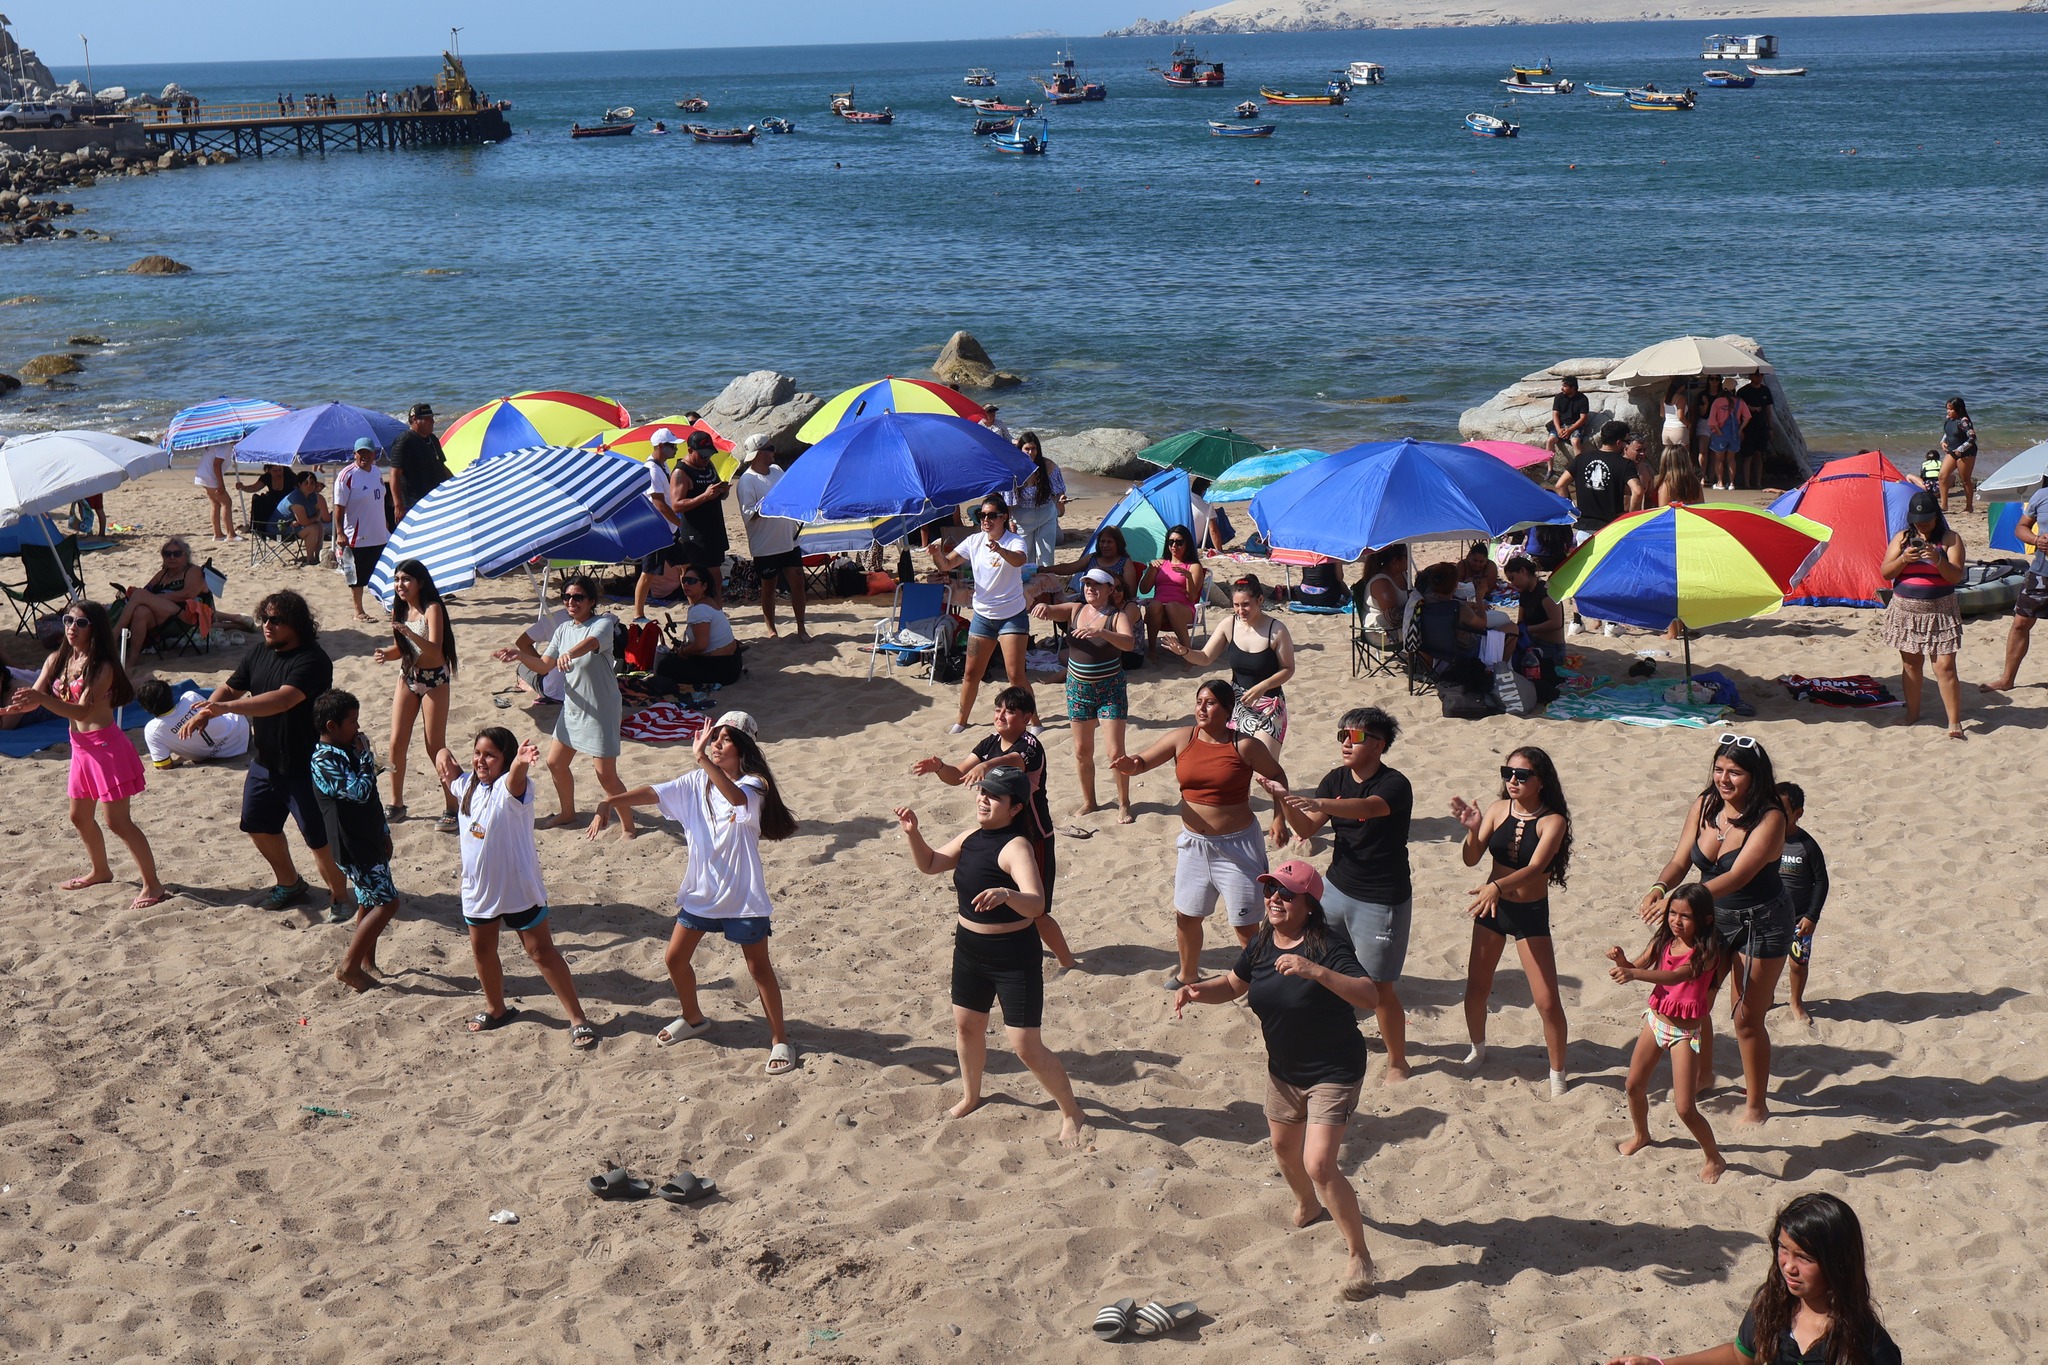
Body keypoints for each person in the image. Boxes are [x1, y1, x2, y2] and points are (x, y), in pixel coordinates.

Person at [1171, 860, 1379, 1301]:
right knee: (1284, 1149)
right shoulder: (1264, 940)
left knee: (1320, 1163)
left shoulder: (1327, 944)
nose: (1274, 900)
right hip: (1284, 1070)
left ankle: (1359, 1254)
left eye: (1286, 893)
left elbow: (1369, 995)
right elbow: (1233, 984)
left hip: (1334, 1070)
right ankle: (1308, 1204)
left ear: (1308, 903)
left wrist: (1314, 971)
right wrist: (1197, 990)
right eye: (1270, 892)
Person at [589, 712, 799, 1073]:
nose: (716, 744)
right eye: (713, 737)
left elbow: (735, 799)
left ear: (743, 747)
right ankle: (693, 1018)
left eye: (724, 739)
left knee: (758, 968)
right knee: (674, 959)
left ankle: (779, 1040)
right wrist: (612, 800)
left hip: (742, 897)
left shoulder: (754, 784)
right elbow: (655, 792)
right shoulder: (695, 783)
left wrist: (702, 758)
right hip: (702, 892)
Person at [894, 767, 1089, 1148]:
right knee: (967, 1027)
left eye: (994, 796)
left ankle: (1072, 1112)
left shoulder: (1016, 847)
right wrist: (913, 833)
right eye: (982, 792)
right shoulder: (970, 837)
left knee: (1025, 1045)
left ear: (1015, 808)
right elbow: (931, 864)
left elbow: (1036, 904)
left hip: (1013, 957)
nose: (983, 799)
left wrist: (1006, 894)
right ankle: (971, 1096)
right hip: (969, 951)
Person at [1636, 733, 1791, 1127]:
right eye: (1719, 770)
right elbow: (1679, 860)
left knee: (1746, 1016)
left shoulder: (1770, 817)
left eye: (1735, 772)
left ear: (1755, 777)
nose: (1724, 779)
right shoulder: (1706, 804)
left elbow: (1739, 876)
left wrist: (1678, 903)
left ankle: (1757, 1104)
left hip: (1762, 921)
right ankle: (1704, 1075)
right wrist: (1659, 886)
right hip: (1712, 917)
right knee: (1696, 1000)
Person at [182, 590, 352, 913]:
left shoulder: (314, 661)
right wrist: (207, 708)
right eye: (264, 618)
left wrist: (223, 708)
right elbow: (232, 686)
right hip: (265, 763)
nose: (267, 625)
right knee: (257, 825)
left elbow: (282, 700)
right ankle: (290, 883)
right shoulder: (259, 652)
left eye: (276, 620)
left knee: (319, 840)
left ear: (297, 624)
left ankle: (340, 898)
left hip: (305, 767)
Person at [1113, 680, 1288, 990]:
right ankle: (1188, 973)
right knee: (1187, 916)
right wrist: (1130, 764)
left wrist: (1278, 817)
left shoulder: (1244, 745)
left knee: (1246, 926)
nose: (1202, 708)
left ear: (1227, 710)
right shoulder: (1183, 738)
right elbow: (1142, 763)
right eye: (1199, 702)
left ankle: (1263, 982)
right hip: (1194, 846)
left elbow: (1276, 775)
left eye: (1210, 703)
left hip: (1238, 848)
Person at [1271, 707, 1413, 1083]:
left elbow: (1369, 807)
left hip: (1382, 898)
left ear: (1380, 745)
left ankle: (1398, 1061)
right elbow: (1307, 827)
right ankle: (1322, 1032)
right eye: (1342, 736)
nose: (1346, 743)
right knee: (1318, 961)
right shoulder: (1335, 779)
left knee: (1379, 986)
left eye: (1356, 737)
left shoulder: (1395, 784)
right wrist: (1288, 802)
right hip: (1336, 888)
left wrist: (1321, 804)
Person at [432, 728, 598, 1048]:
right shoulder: (465, 784)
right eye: (478, 753)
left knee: (540, 952)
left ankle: (577, 1018)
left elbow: (515, 778)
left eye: (491, 755)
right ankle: (497, 1009)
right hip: (478, 890)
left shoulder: (513, 789)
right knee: (483, 951)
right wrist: (441, 755)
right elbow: (445, 762)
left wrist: (520, 763)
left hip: (518, 887)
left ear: (505, 760)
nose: (482, 760)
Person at [1602, 1193, 1901, 1365]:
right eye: (1784, 1250)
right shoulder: (1773, 1306)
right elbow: (1738, 1356)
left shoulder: (1869, 1346)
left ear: (1838, 1263)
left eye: (1805, 1258)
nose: (1789, 1267)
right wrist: (1659, 1364)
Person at [1, 601, 168, 909]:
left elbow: (83, 710)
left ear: (95, 629)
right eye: (68, 621)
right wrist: (18, 707)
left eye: (80, 623)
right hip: (80, 749)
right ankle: (101, 871)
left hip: (106, 748)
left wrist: (40, 698)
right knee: (79, 817)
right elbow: (35, 699)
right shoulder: (58, 658)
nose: (71, 628)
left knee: (118, 822)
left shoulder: (102, 666)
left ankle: (153, 885)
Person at [909, 685, 1080, 969]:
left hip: (1033, 835)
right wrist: (940, 767)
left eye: (1010, 712)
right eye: (998, 710)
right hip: (1000, 836)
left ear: (1027, 718)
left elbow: (1014, 763)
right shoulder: (989, 742)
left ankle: (1068, 962)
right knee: (1005, 901)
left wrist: (988, 767)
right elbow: (958, 776)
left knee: (1037, 910)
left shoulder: (1030, 745)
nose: (1001, 716)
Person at [1449, 747, 1573, 1094]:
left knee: (1547, 1000)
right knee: (1477, 986)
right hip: (1492, 908)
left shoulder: (1554, 821)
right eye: (1508, 773)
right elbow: (1471, 859)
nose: (1513, 780)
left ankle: (1557, 1074)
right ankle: (1478, 1048)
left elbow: (1535, 869)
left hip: (1528, 913)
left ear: (1541, 781)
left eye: (1522, 775)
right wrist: (1473, 831)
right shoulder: (1497, 809)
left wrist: (1496, 886)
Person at [1607, 884, 1729, 1184]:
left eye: (1685, 916)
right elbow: (1639, 964)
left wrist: (1634, 974)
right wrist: (1622, 961)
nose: (1676, 921)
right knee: (1633, 1085)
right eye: (1672, 913)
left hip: (1684, 1034)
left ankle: (1714, 1157)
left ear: (1705, 920)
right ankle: (1641, 1135)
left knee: (1685, 1108)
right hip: (1656, 1022)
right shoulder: (1664, 940)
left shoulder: (1706, 953)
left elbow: (1676, 976)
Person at [494, 574, 633, 833]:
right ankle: (568, 813)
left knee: (606, 776)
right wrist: (520, 655)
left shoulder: (601, 624)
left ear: (591, 601)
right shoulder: (562, 629)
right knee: (555, 763)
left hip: (601, 709)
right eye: (567, 597)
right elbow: (544, 666)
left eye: (578, 597)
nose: (571, 601)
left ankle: (628, 826)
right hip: (573, 707)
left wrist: (570, 653)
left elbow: (591, 643)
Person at [310, 690, 401, 988]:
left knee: (368, 900)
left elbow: (372, 795)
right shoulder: (323, 760)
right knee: (387, 904)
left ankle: (366, 962)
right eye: (352, 722)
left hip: (369, 836)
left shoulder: (346, 749)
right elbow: (358, 791)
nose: (358, 729)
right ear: (331, 726)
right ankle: (349, 966)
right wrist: (365, 759)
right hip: (353, 844)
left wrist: (384, 833)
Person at [1032, 570, 1138, 824]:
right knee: (1081, 750)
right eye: (1087, 583)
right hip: (1078, 689)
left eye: (1096, 585)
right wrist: (1044, 607)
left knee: (1115, 753)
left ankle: (1124, 803)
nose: (1090, 588)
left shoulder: (1117, 616)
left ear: (1110, 589)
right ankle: (1090, 801)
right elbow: (1052, 609)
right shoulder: (1076, 610)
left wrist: (1101, 633)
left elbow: (1128, 643)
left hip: (1110, 690)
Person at [1161, 575, 1295, 768]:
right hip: (1238, 705)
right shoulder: (1229, 625)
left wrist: (1263, 686)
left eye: (1246, 604)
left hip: (1269, 705)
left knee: (1267, 769)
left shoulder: (1277, 630)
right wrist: (1184, 651)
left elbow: (1288, 669)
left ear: (1260, 600)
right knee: (1237, 766)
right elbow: (1205, 657)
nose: (1241, 610)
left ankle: (1278, 799)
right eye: (1236, 605)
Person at [929, 494, 1033, 735]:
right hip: (983, 616)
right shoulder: (974, 541)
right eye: (981, 515)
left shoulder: (1014, 540)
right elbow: (946, 565)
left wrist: (1000, 550)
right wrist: (935, 554)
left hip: (1011, 615)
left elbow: (1020, 561)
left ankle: (1034, 721)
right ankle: (962, 720)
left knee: (1015, 675)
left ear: (1003, 517)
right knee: (970, 673)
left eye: (991, 515)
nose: (985, 520)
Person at [371, 558, 459, 831]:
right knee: (396, 742)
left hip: (435, 680)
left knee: (435, 745)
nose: (400, 585)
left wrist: (409, 632)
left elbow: (434, 650)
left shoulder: (432, 609)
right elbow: (403, 648)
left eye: (406, 579)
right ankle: (396, 803)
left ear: (420, 582)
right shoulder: (398, 610)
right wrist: (388, 653)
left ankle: (452, 805)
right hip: (408, 677)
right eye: (397, 580)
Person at [1879, 489, 1966, 737]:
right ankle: (1912, 714)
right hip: (1906, 610)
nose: (1923, 524)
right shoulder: (1902, 538)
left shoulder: (1950, 539)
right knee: (1911, 664)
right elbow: (1886, 573)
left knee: (1945, 667)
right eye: (1918, 520)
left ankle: (1954, 723)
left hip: (1941, 610)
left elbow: (1956, 576)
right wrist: (1904, 559)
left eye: (1927, 519)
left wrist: (1938, 560)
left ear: (1937, 516)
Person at [734, 434, 808, 638]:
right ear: (758, 453)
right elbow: (749, 514)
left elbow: (790, 493)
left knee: (798, 583)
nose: (774, 451)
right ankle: (771, 629)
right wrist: (769, 503)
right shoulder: (747, 481)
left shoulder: (776, 470)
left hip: (789, 539)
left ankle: (801, 628)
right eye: (770, 448)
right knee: (769, 587)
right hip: (766, 546)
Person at [1981, 475, 2048, 695]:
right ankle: (2007, 679)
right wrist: (2036, 540)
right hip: (2041, 573)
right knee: (2020, 624)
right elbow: (2021, 528)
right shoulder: (2041, 495)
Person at [1777, 783, 1829, 1026]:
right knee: (1767, 961)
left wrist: (1812, 916)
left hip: (1799, 918)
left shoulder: (1806, 845)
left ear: (1798, 813)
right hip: (1769, 915)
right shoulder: (1763, 840)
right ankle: (1766, 997)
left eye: (1783, 810)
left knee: (1798, 962)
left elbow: (1821, 881)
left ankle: (1796, 1001)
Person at [112, 538, 205, 663]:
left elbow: (187, 594)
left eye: (176, 554)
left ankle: (115, 633)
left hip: (182, 614)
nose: (171, 557)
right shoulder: (162, 574)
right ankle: (133, 658)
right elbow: (146, 591)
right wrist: (149, 598)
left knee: (140, 595)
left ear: (185, 556)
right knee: (140, 611)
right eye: (167, 554)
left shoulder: (193, 571)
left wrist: (155, 598)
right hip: (158, 614)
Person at [654, 566, 743, 690]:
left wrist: (682, 652)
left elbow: (701, 645)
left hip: (722, 669)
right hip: (734, 661)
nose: (686, 584)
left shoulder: (699, 610)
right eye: (684, 580)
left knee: (664, 666)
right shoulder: (709, 602)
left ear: (704, 586)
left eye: (692, 581)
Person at [332, 438, 391, 622]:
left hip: (380, 533)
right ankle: (358, 611)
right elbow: (339, 507)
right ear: (355, 454)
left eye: (368, 452)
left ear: (374, 454)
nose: (364, 456)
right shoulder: (346, 476)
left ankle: (387, 605)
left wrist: (385, 523)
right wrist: (340, 532)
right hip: (357, 535)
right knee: (356, 574)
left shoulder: (377, 472)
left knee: (383, 571)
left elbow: (379, 499)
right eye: (361, 453)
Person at [669, 430, 732, 603]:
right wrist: (704, 496)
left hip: (714, 528)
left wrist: (722, 492)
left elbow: (714, 491)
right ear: (690, 450)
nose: (706, 458)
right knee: (706, 576)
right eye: (702, 454)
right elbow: (676, 504)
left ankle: (713, 607)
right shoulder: (681, 472)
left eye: (709, 454)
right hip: (696, 532)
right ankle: (706, 608)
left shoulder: (707, 465)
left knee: (714, 575)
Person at [629, 429, 685, 622]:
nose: (675, 449)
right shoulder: (652, 470)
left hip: (668, 529)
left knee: (686, 564)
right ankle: (638, 614)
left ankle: (695, 603)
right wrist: (680, 524)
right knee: (649, 573)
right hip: (657, 530)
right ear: (661, 446)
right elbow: (659, 504)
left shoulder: (663, 466)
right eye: (672, 446)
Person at [137, 676, 249, 768]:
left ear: (145, 708)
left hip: (213, 757)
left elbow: (164, 766)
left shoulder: (152, 730)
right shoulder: (190, 697)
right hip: (242, 734)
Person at [1140, 524, 1206, 659]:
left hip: (1184, 610)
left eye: (1179, 542)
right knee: (1155, 604)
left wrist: (1188, 577)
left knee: (1171, 606)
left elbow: (1193, 597)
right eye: (1171, 542)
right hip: (1159, 610)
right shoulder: (1160, 564)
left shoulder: (1193, 567)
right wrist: (1151, 569)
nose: (1174, 546)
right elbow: (1144, 589)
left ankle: (1188, 653)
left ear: (1187, 544)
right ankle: (1152, 651)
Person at [1556, 421, 1631, 535]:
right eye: (1627, 441)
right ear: (1619, 442)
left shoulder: (1581, 459)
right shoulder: (1624, 464)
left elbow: (1560, 485)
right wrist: (1631, 518)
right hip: (1611, 529)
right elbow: (1637, 491)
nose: (1628, 445)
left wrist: (1571, 512)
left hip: (1584, 529)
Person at [1038, 524, 1143, 604]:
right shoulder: (1093, 558)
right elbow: (1070, 568)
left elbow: (1130, 593)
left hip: (1111, 605)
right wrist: (1048, 569)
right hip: (1086, 602)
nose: (1105, 545)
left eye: (1109, 542)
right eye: (1102, 542)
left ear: (1118, 544)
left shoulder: (1125, 563)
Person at [1010, 431, 1068, 568]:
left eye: (1033, 448)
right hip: (1022, 518)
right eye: (1027, 449)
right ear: (1020, 449)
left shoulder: (1048, 466)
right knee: (1025, 559)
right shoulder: (1013, 469)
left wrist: (1061, 498)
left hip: (1046, 514)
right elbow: (1008, 497)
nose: (1031, 452)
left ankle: (1046, 586)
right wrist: (1009, 519)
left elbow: (1058, 490)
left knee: (1046, 558)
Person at [389, 403, 452, 523]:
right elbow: (394, 474)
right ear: (415, 420)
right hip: (415, 503)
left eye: (432, 418)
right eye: (427, 419)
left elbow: (442, 466)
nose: (432, 422)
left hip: (436, 498)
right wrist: (398, 505)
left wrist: (455, 483)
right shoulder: (405, 441)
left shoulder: (433, 439)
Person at [1504, 557, 1565, 668]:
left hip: (1551, 648)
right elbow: (1521, 621)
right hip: (1531, 642)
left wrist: (1527, 630)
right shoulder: (1524, 593)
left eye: (1513, 578)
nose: (1513, 584)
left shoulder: (1546, 591)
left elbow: (1556, 623)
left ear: (1523, 571)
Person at [1357, 544, 1411, 636]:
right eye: (1407, 556)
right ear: (1395, 561)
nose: (1409, 559)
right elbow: (1393, 617)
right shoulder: (1381, 583)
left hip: (1400, 626)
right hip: (1382, 631)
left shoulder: (1403, 574)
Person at [277, 469, 329, 565]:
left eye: (312, 483)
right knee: (313, 528)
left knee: (319, 525)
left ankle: (318, 555)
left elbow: (318, 512)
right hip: (282, 527)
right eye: (306, 483)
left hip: (296, 525)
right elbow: (305, 521)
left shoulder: (312, 496)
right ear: (300, 484)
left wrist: (315, 517)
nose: (310, 486)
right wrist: (316, 517)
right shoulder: (296, 498)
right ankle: (310, 559)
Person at [1938, 395, 1979, 514]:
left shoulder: (1964, 421)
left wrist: (1961, 449)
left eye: (1951, 409)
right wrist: (1942, 442)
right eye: (1947, 409)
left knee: (1965, 480)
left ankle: (1969, 506)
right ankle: (1944, 505)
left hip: (1967, 453)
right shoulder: (1949, 419)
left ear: (1958, 409)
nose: (1948, 411)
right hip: (1952, 451)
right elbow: (1947, 432)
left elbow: (1972, 438)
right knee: (1942, 476)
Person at [1736, 371, 1775, 491]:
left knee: (1759, 455)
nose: (1759, 377)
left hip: (1761, 426)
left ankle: (1758, 482)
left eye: (1761, 375)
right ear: (1750, 376)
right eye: (1757, 375)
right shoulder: (1743, 391)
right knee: (1747, 456)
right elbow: (1737, 410)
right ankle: (1746, 483)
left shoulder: (1765, 390)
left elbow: (1768, 409)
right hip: (1748, 427)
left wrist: (1770, 427)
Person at [1706, 381, 1748, 491]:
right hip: (1734, 434)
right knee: (1731, 459)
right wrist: (1741, 429)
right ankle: (1732, 484)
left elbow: (1712, 420)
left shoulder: (1717, 401)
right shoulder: (1740, 402)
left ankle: (1720, 483)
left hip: (1720, 433)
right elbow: (1747, 417)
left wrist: (1718, 431)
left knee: (1719, 459)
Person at [194, 441, 240, 541]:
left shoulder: (220, 443)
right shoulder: (225, 445)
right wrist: (221, 484)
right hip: (209, 476)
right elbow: (216, 464)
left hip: (203, 475)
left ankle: (218, 534)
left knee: (216, 504)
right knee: (226, 503)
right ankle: (231, 534)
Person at [238, 463, 293, 539]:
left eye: (280, 470)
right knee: (257, 499)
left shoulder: (290, 476)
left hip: (287, 505)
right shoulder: (266, 477)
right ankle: (258, 528)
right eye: (275, 471)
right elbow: (254, 488)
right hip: (273, 503)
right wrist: (243, 487)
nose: (278, 473)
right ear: (269, 471)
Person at [1546, 375, 1590, 459]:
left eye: (1565, 386)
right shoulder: (1558, 397)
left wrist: (1570, 430)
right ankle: (1550, 469)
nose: (1562, 388)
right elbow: (1555, 414)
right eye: (1562, 386)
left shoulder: (1582, 399)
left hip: (1575, 425)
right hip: (1561, 424)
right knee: (1550, 440)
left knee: (1575, 441)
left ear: (1573, 388)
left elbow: (1583, 418)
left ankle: (1578, 466)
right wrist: (1559, 429)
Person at [1656, 441, 1706, 507]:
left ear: (1665, 462)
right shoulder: (1695, 483)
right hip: (1692, 516)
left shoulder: (1667, 486)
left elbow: (1664, 513)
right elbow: (1701, 508)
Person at [1622, 435, 1655, 513]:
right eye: (1638, 450)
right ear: (1626, 449)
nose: (1642, 454)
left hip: (1637, 519)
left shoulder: (1647, 470)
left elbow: (1648, 500)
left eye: (1644, 450)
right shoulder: (1617, 468)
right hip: (1618, 520)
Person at [1661, 378, 1693, 457]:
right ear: (1681, 386)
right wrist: (1689, 424)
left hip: (1666, 429)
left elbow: (1662, 414)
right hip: (1678, 429)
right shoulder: (1680, 398)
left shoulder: (1664, 398)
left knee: (1669, 458)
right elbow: (1680, 416)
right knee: (1684, 458)